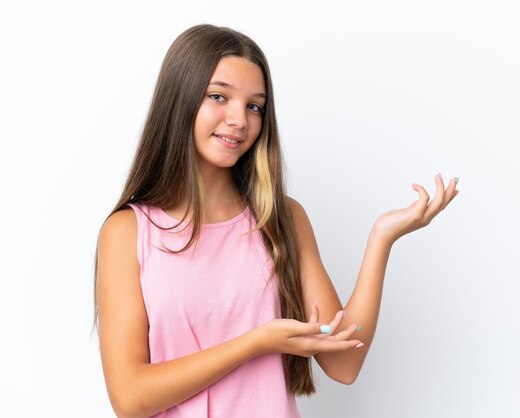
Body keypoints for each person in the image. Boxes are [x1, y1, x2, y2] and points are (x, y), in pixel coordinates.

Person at [93, 23, 459, 418]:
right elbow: (130, 399)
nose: (239, 119)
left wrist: (381, 238)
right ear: (179, 100)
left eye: (255, 106)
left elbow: (344, 364)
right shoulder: (129, 232)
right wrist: (256, 343)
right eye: (219, 96)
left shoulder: (282, 218)